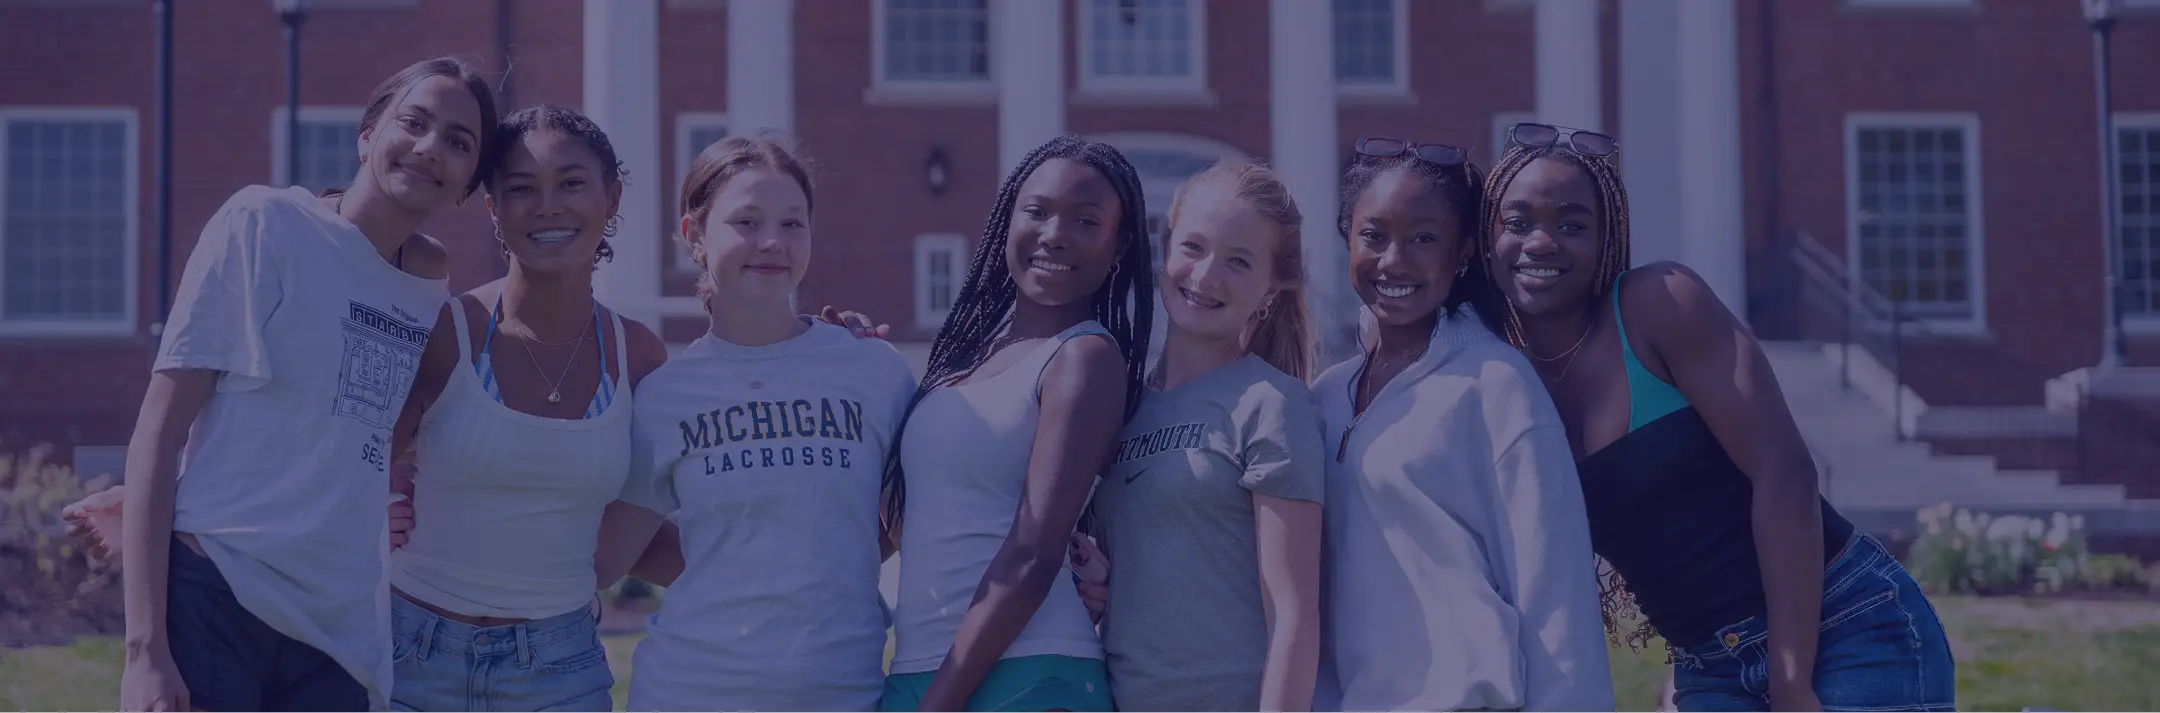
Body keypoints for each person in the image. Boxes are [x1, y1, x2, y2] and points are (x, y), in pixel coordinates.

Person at [1073, 135, 1615, 712]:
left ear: (1461, 255)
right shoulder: (1325, 397)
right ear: (1347, 242)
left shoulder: (1495, 383)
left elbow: (1554, 595)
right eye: (1374, 237)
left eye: (1424, 239)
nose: (1394, 260)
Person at [1479, 121, 1954, 711]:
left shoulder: (1659, 305)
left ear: (1608, 239)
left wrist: (1789, 679)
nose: (1542, 242)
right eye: (1518, 222)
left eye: (1573, 225)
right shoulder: (1492, 366)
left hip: (1844, 627)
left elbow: (1786, 477)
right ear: (1487, 234)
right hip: (1708, 665)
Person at [113, 57, 497, 712]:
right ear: (367, 134)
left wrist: (391, 493)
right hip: (219, 594)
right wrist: (145, 650)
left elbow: (368, 433)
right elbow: (162, 423)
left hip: (337, 632)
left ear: (468, 186)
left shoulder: (430, 286)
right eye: (414, 121)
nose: (431, 147)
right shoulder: (264, 226)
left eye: (459, 142)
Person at [597, 134, 919, 712]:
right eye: (747, 221)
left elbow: (914, 514)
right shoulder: (667, 395)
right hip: (690, 692)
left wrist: (824, 560)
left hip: (842, 694)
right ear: (693, 236)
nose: (772, 242)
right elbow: (611, 553)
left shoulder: (872, 369)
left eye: (792, 223)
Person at [880, 135, 1155, 713]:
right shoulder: (965, 359)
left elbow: (1033, 553)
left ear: (1117, 244)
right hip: (924, 668)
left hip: (1029, 675)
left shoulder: (1085, 358)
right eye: (1037, 211)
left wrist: (937, 704)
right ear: (1009, 218)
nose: (1054, 234)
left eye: (1085, 220)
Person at [1083, 161, 1324, 711]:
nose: (1206, 274)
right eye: (1193, 247)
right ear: (1165, 252)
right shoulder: (1123, 407)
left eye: (1238, 262)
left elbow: (1294, 614)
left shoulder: (1271, 403)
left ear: (1268, 289)